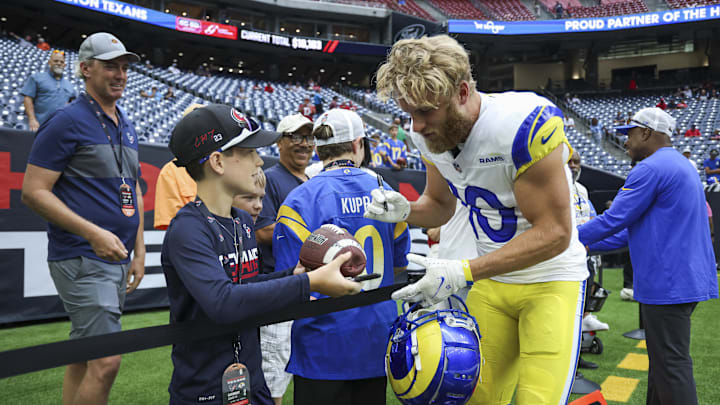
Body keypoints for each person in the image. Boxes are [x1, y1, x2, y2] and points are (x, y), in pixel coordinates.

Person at [369, 35, 588, 404]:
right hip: (492, 281)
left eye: (425, 112)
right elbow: (440, 205)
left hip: (551, 281)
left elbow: (555, 232)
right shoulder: (426, 134)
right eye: (410, 113)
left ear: (463, 92)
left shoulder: (522, 123)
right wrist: (406, 211)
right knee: (473, 399)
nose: (417, 126)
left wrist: (462, 271)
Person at [161, 104, 361, 405]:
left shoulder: (241, 220)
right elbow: (223, 302)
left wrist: (296, 275)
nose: (258, 159)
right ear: (217, 161)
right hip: (205, 392)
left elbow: (246, 286)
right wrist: (310, 284)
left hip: (253, 384)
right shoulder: (187, 230)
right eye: (249, 150)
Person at [21, 32, 144, 405]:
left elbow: (133, 189)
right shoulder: (65, 120)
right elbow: (33, 191)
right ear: (85, 69)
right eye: (111, 66)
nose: (120, 74)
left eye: (124, 67)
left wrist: (138, 250)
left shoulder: (124, 120)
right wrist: (93, 233)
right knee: (106, 360)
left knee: (84, 353)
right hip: (82, 254)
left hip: (115, 256)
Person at [579, 107, 718, 405]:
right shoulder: (681, 165)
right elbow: (630, 230)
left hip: (668, 283)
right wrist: (587, 245)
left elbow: (613, 219)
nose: (625, 141)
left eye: (628, 133)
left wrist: (563, 239)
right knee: (662, 363)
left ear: (646, 132)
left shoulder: (650, 168)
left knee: (671, 365)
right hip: (684, 280)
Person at [273, 108, 410, 405]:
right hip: (376, 339)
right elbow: (400, 263)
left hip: (322, 344)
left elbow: (290, 282)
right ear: (359, 143)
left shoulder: (299, 199)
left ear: (318, 148)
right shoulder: (385, 190)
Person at [254, 114, 314, 403]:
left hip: (312, 289)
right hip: (281, 291)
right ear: (279, 142)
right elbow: (262, 231)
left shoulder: (313, 179)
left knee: (311, 376)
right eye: (296, 137)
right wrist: (315, 239)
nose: (304, 144)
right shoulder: (270, 178)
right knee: (273, 386)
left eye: (309, 137)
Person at [567, 151, 608, 371]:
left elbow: (591, 216)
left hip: (584, 255)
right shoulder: (553, 185)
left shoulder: (581, 189)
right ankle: (568, 362)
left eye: (577, 162)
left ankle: (577, 356)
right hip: (563, 258)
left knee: (582, 307)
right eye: (569, 162)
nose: (574, 166)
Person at [21, 49, 76, 131]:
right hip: (39, 125)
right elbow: (28, 99)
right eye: (56, 61)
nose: (59, 64)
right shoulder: (37, 78)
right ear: (49, 62)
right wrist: (32, 119)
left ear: (64, 65)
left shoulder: (69, 85)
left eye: (61, 62)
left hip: (60, 128)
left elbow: (72, 104)